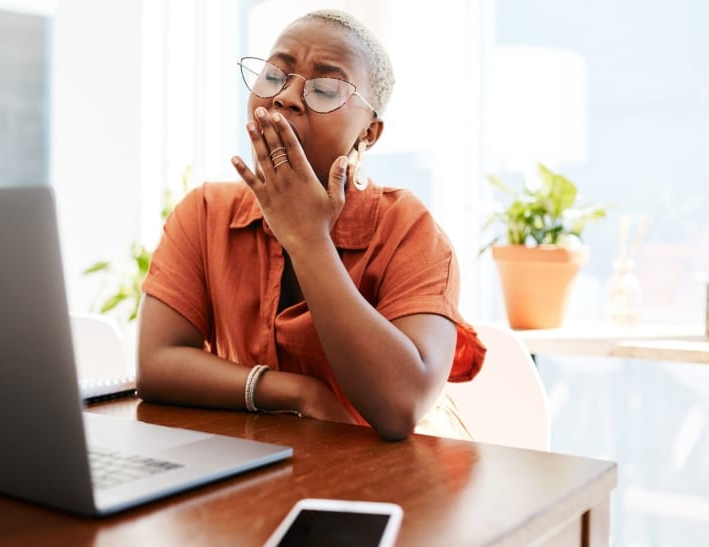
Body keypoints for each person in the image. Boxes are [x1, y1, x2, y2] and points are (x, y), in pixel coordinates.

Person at [136, 9, 485, 441]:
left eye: (323, 89)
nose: (286, 98)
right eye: (273, 76)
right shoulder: (205, 211)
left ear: (369, 133)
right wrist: (298, 392)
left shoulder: (408, 229)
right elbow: (156, 364)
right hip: (264, 468)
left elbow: (399, 408)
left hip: (402, 481)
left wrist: (308, 239)